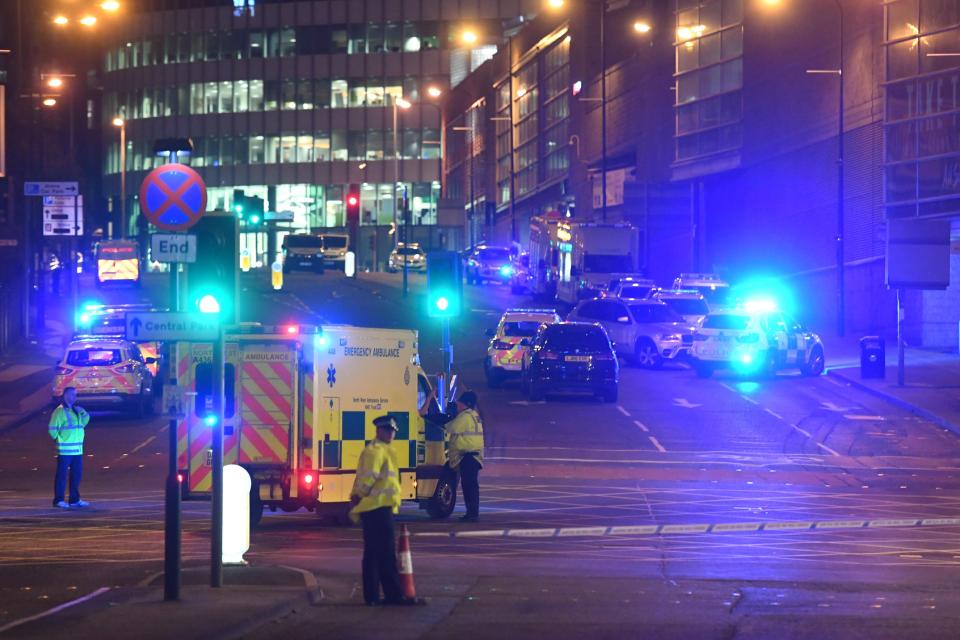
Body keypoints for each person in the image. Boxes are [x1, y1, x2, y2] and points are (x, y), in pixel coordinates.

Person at [349, 415, 421, 606]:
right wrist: (359, 495)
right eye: (387, 430)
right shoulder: (375, 451)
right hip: (376, 508)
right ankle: (392, 595)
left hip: (378, 507)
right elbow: (367, 478)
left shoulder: (384, 450)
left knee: (374, 554)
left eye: (393, 431)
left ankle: (373, 596)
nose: (391, 434)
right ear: (378, 430)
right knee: (385, 553)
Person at [445, 391, 485, 522]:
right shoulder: (474, 415)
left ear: (465, 404)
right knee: (471, 485)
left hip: (468, 457)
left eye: (459, 403)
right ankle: (472, 512)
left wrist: (449, 417)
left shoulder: (465, 417)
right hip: (474, 457)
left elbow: (450, 428)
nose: (457, 405)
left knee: (469, 486)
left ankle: (472, 514)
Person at [48, 387, 90, 509]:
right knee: (61, 476)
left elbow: (84, 422)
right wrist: (58, 440)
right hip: (65, 450)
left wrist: (83, 413)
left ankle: (74, 499)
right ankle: (58, 500)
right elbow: (52, 429)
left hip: (77, 450)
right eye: (72, 394)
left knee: (76, 475)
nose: (74, 397)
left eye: (75, 395)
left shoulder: (76, 410)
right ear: (65, 395)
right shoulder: (59, 411)